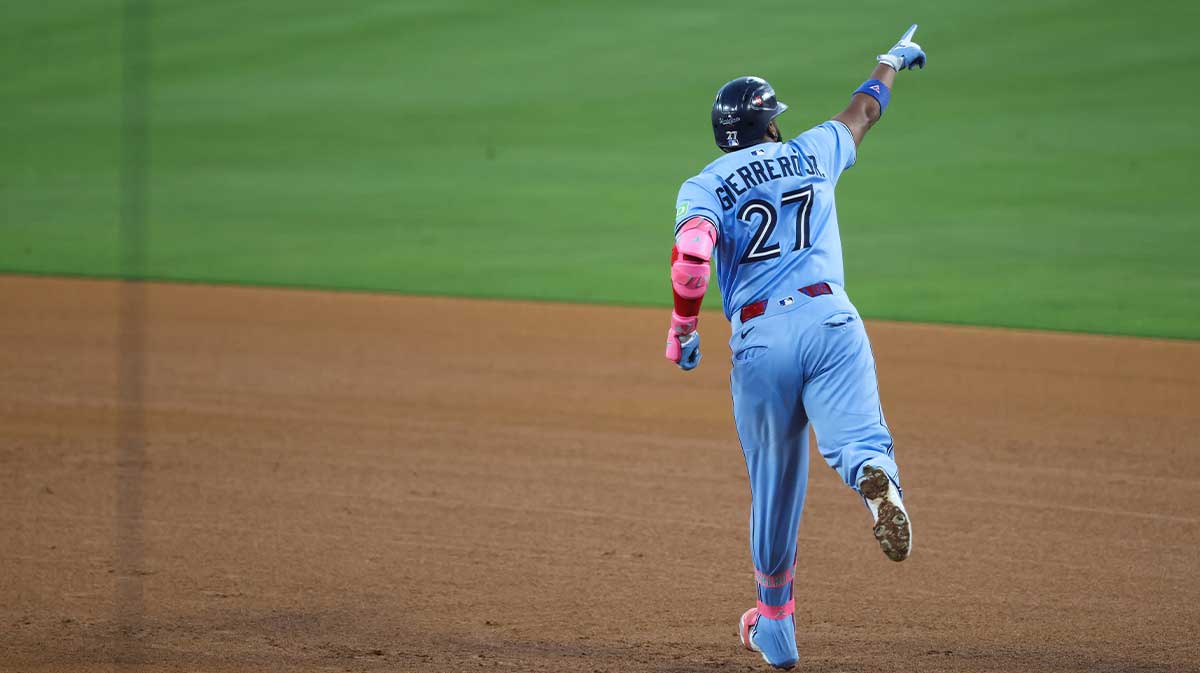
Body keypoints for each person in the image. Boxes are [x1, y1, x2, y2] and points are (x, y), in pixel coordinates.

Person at [663, 25, 927, 670]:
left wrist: (684, 329)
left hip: (761, 342)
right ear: (768, 124)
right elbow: (862, 112)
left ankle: (776, 626)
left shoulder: (703, 184)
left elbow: (693, 261)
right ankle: (876, 479)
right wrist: (889, 61)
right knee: (860, 433)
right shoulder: (814, 150)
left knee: (775, 487)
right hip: (832, 318)